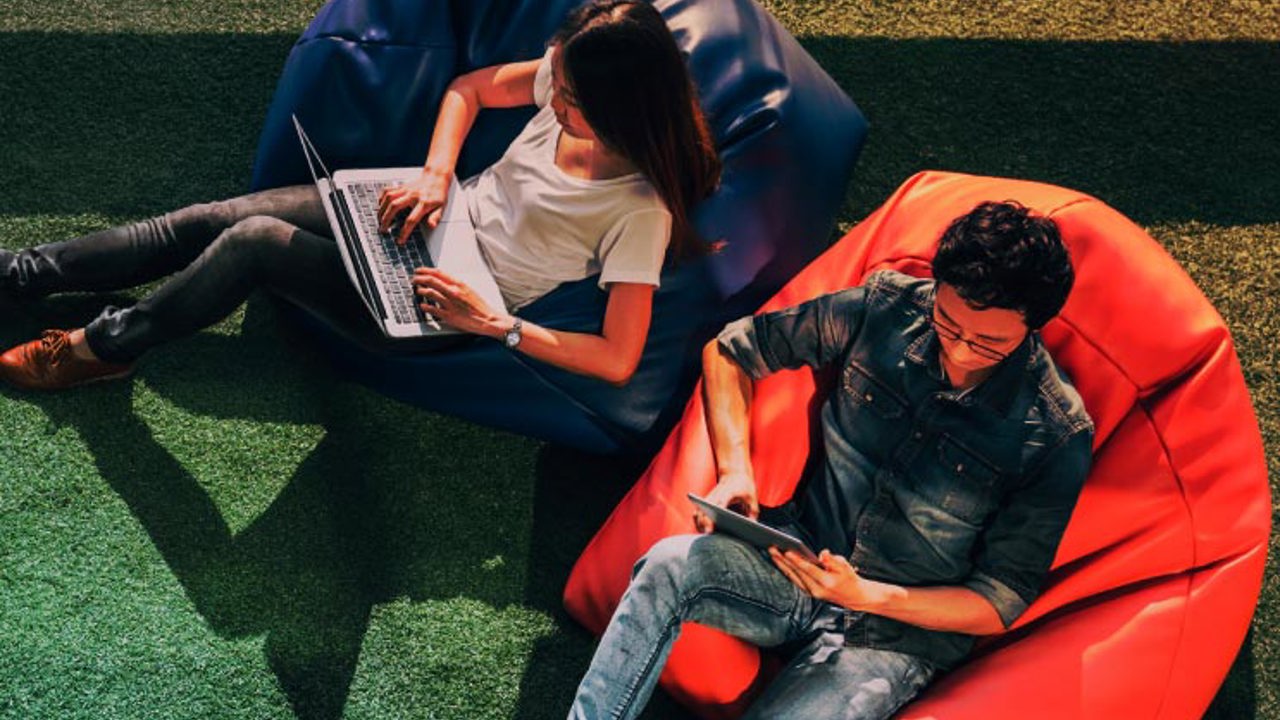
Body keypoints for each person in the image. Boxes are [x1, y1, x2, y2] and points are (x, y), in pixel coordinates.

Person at [0, 0, 719, 391]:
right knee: (217, 218)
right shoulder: (573, 75)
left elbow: (617, 359)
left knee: (252, 244)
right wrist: (437, 174)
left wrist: (492, 324)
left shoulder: (638, 211)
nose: (553, 101)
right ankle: (26, 273)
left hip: (440, 310)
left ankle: (107, 345)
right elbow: (468, 90)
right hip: (424, 216)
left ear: (624, 109)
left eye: (570, 102)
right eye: (556, 89)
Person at [567, 201, 1095, 720]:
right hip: (796, 561)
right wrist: (735, 470)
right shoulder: (886, 308)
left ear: (1032, 327)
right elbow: (731, 351)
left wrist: (868, 595)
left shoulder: (1052, 432)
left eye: (988, 343)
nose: (959, 351)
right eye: (949, 324)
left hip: (893, 637)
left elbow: (999, 601)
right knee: (668, 565)